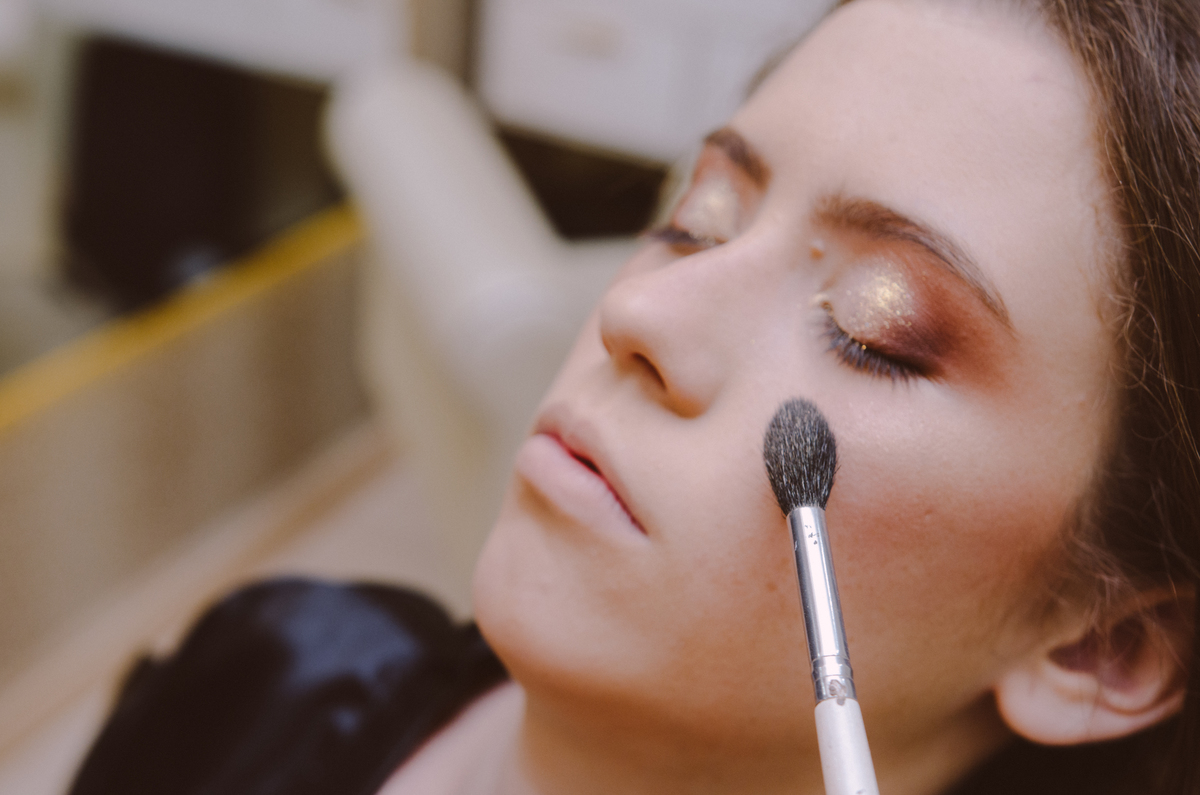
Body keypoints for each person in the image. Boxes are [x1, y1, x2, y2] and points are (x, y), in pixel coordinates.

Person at [67, 0, 1200, 793]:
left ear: (1105, 647)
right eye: (699, 220)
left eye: (874, 332)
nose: (642, 314)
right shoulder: (263, 674)